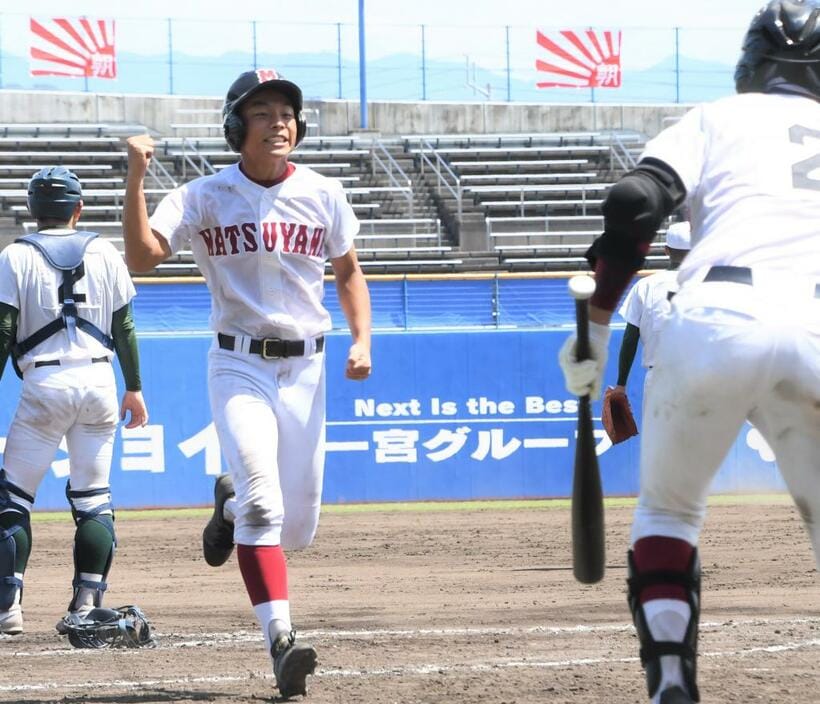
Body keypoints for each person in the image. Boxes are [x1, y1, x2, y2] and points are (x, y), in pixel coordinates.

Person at [558, 2, 820, 702]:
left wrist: (597, 324)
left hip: (718, 315)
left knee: (670, 514)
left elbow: (635, 201)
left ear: (753, 65)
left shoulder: (720, 116)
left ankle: (671, 673)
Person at [122, 68, 372, 698]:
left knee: (297, 530)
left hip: (307, 367)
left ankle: (228, 503)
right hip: (238, 362)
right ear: (236, 127)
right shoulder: (204, 196)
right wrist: (136, 180)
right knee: (267, 506)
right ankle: (281, 642)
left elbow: (348, 271)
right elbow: (142, 257)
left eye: (287, 111)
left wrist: (363, 338)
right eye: (262, 112)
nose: (279, 121)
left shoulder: (323, 192)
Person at [0, 166, 148, 637]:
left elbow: (4, 330)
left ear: (32, 209)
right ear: (78, 209)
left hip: (46, 383)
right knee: (93, 499)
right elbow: (124, 327)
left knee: (14, 498)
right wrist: (136, 387)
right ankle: (87, 602)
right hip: (100, 380)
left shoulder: (14, 256)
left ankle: (8, 606)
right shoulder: (105, 251)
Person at [613, 219, 691, 401]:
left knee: (658, 430)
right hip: (699, 375)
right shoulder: (708, 284)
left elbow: (630, 337)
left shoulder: (646, 286)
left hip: (659, 378)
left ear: (667, 250)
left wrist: (621, 384)